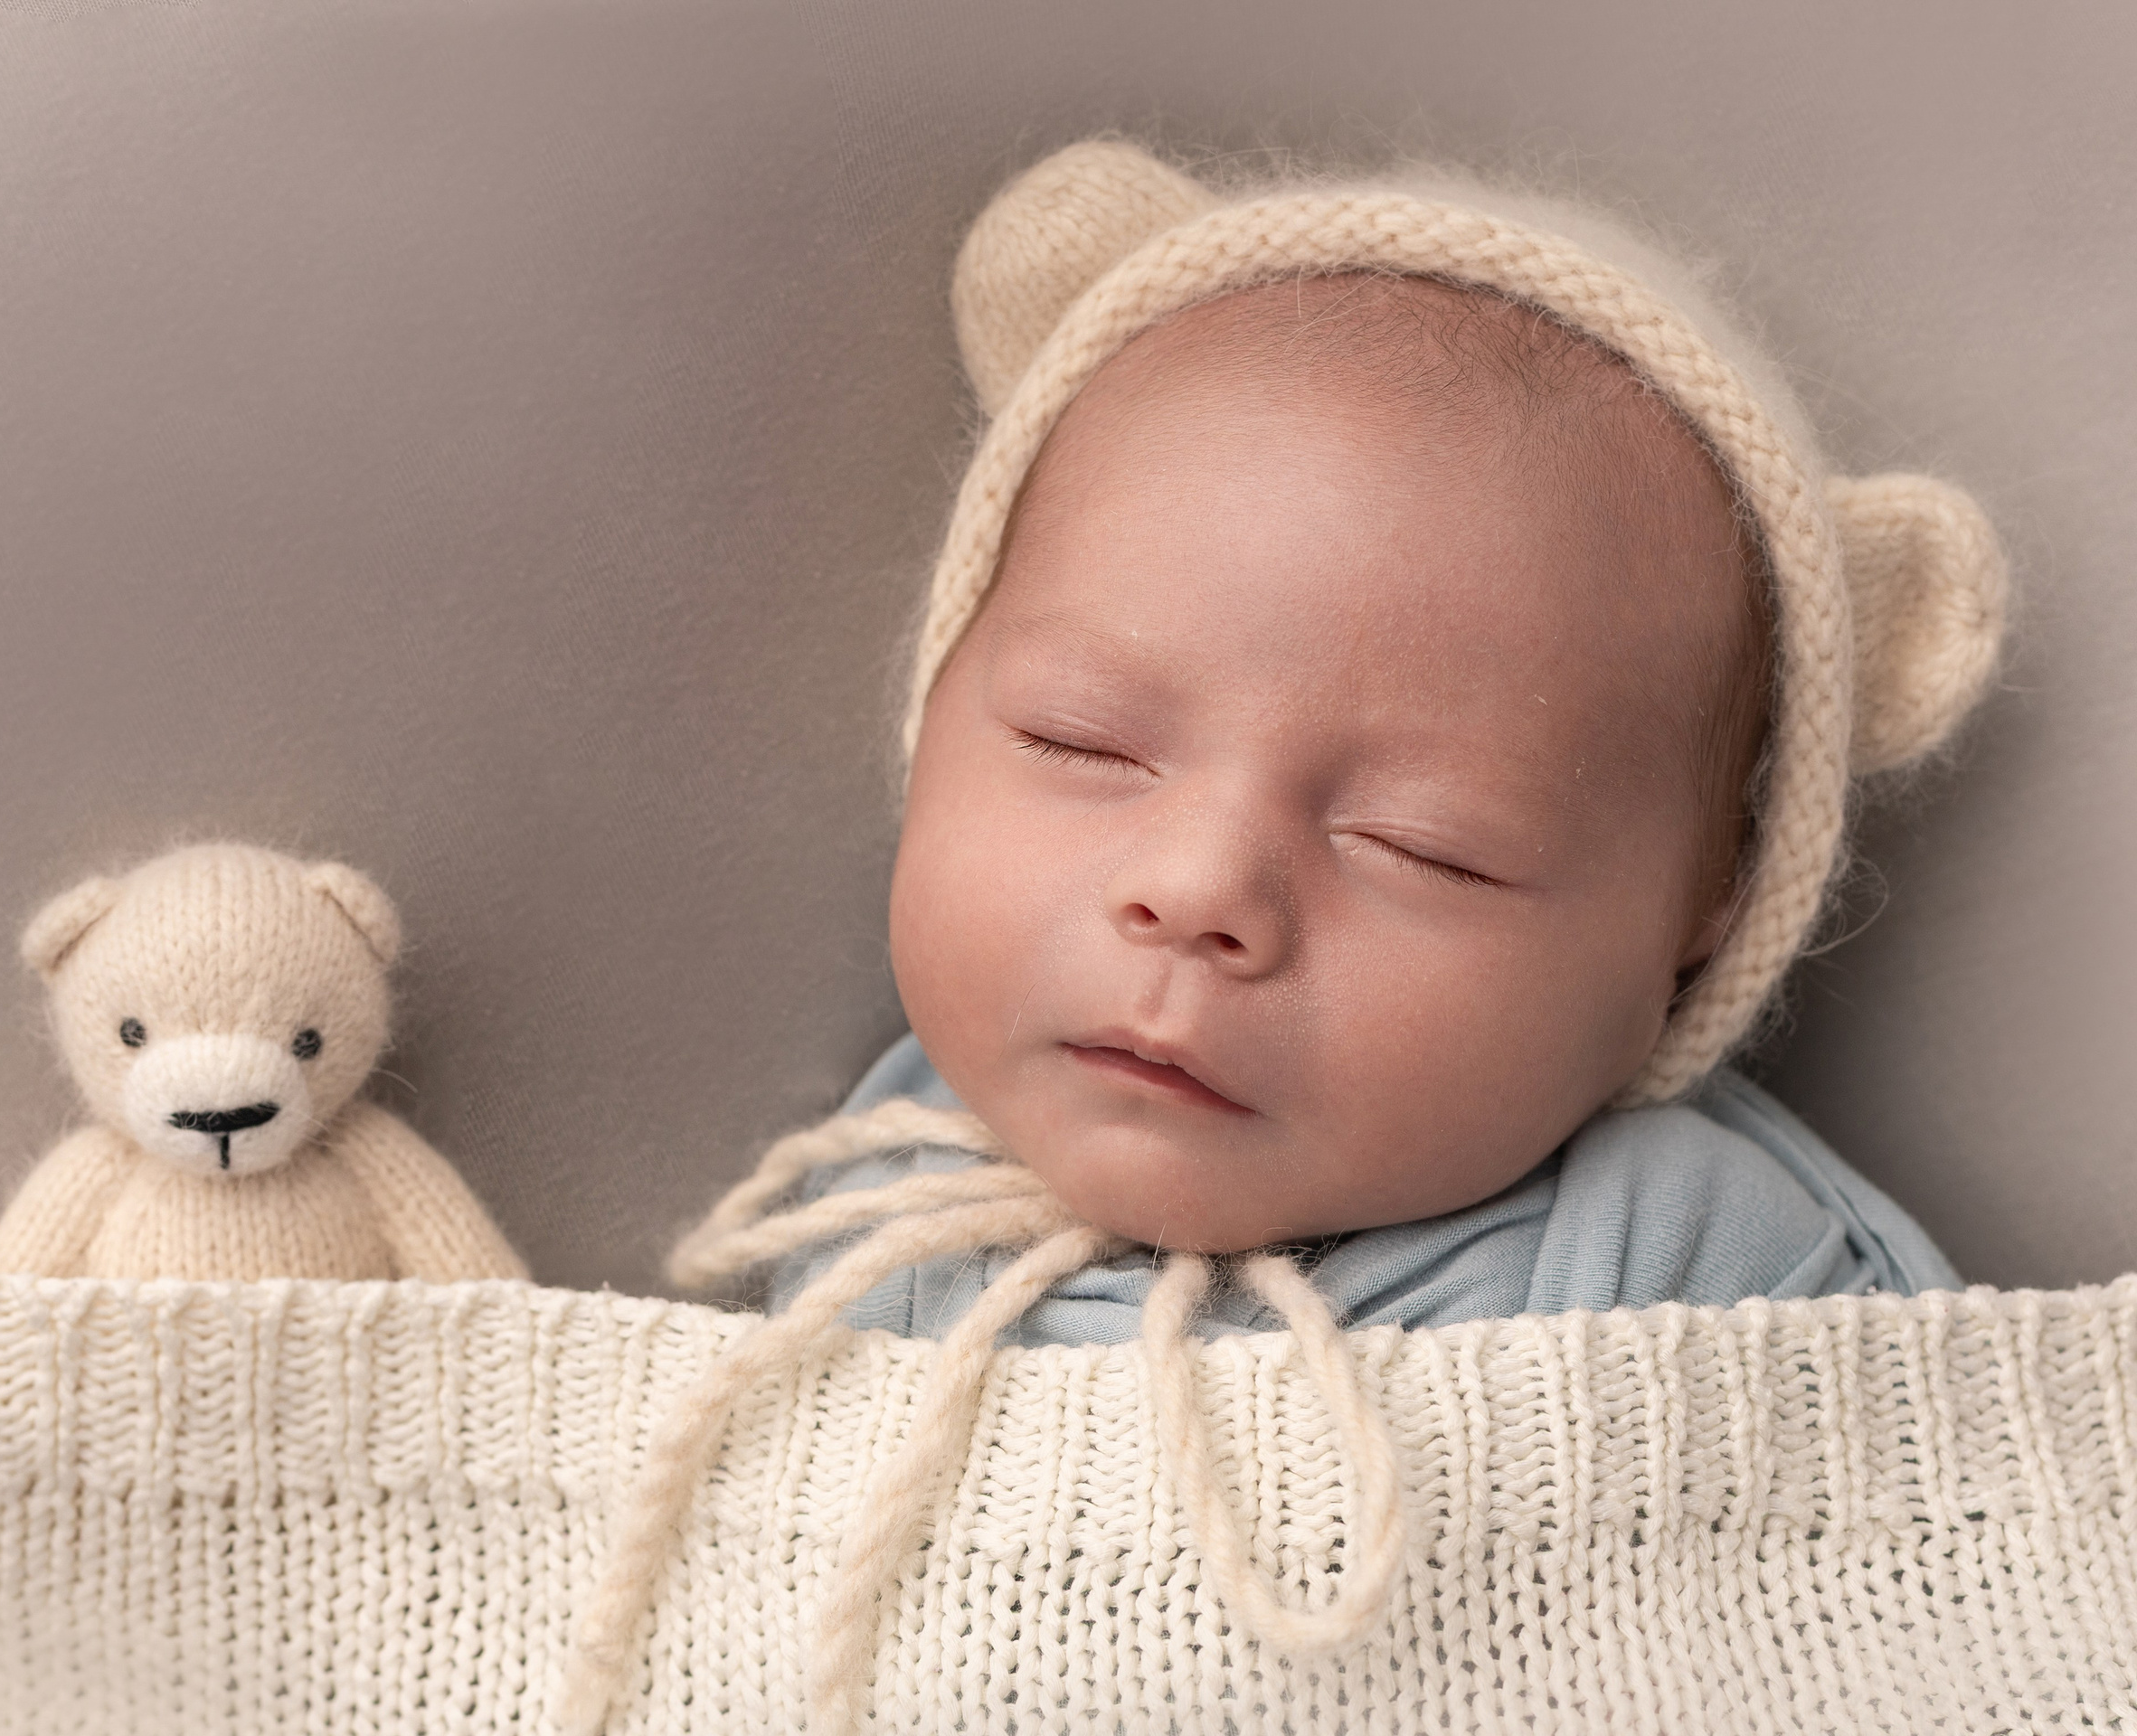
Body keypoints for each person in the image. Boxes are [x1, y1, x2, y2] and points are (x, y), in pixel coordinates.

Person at [556, 141, 2009, 1732]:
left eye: (1421, 845)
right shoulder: (879, 1193)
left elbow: (1943, 1626)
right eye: (1082, 740)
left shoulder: (1718, 1267)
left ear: (1691, 930)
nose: (1197, 892)